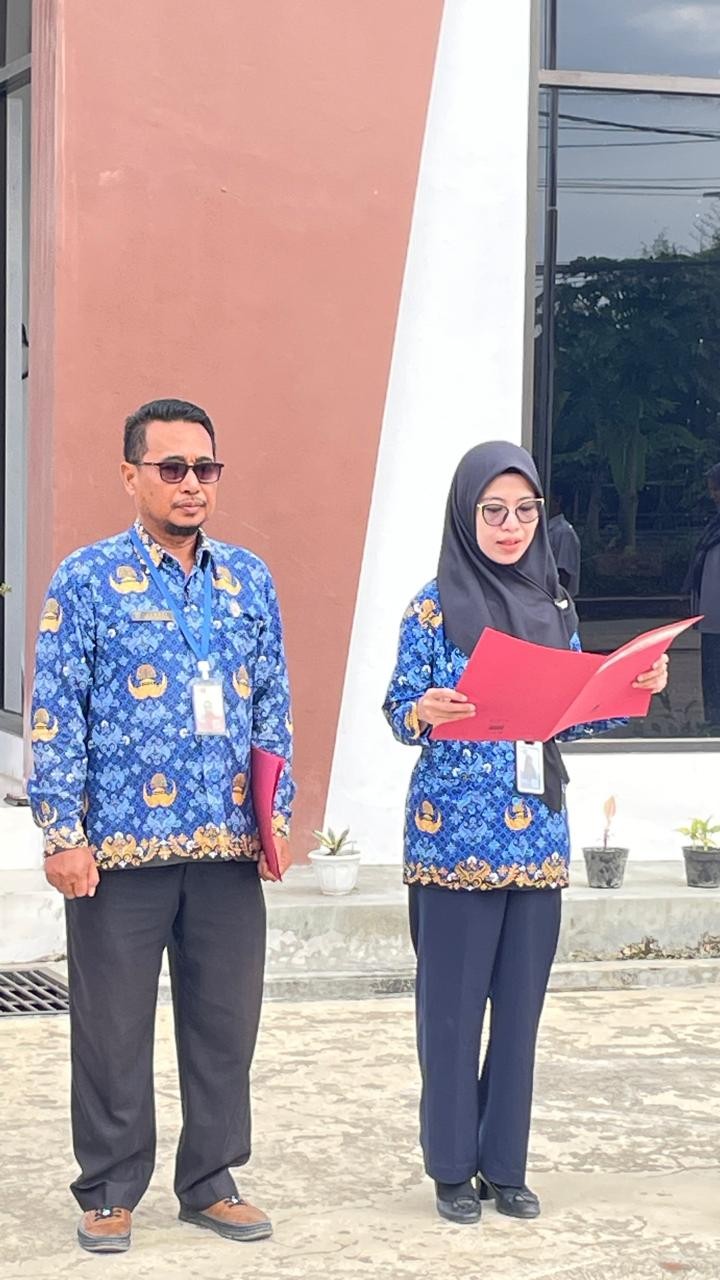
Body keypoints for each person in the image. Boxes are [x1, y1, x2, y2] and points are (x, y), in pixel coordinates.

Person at [28, 398, 294, 1253]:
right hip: (119, 851)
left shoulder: (247, 579)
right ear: (130, 474)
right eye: (172, 467)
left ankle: (211, 1181)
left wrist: (276, 816)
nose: (191, 484)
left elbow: (273, 707)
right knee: (112, 1029)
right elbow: (54, 712)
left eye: (204, 468)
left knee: (225, 1026)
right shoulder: (86, 579)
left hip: (225, 846)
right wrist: (62, 832)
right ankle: (109, 1190)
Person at [382, 441, 667, 1226]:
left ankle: (505, 1168)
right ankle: (451, 1169)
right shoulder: (433, 606)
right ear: (465, 515)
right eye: (493, 511)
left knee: (519, 1014)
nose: (510, 526)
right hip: (452, 838)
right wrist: (423, 709)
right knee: (450, 1013)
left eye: (524, 511)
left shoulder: (554, 607)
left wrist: (634, 684)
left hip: (536, 839)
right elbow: (398, 710)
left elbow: (573, 714)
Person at [684, 462, 720, 725]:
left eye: (716, 489)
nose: (713, 495)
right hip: (711, 620)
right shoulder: (714, 528)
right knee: (713, 681)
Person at [548, 496, 581, 598]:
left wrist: (558, 601)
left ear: (557, 501)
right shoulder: (546, 529)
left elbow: (564, 571)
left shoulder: (564, 532)